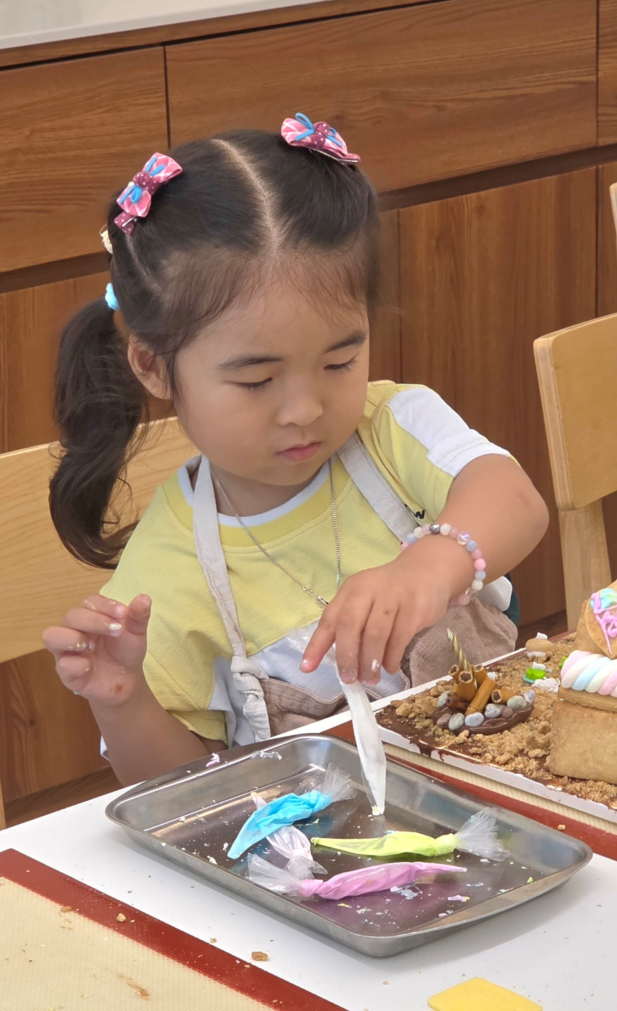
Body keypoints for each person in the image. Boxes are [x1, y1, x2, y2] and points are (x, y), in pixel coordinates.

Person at [42, 117, 549, 784]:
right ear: (153, 366)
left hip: (512, 782)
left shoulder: (390, 427)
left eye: (339, 363)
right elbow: (186, 789)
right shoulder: (164, 574)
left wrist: (430, 565)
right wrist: (123, 702)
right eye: (257, 380)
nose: (305, 409)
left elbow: (515, 501)